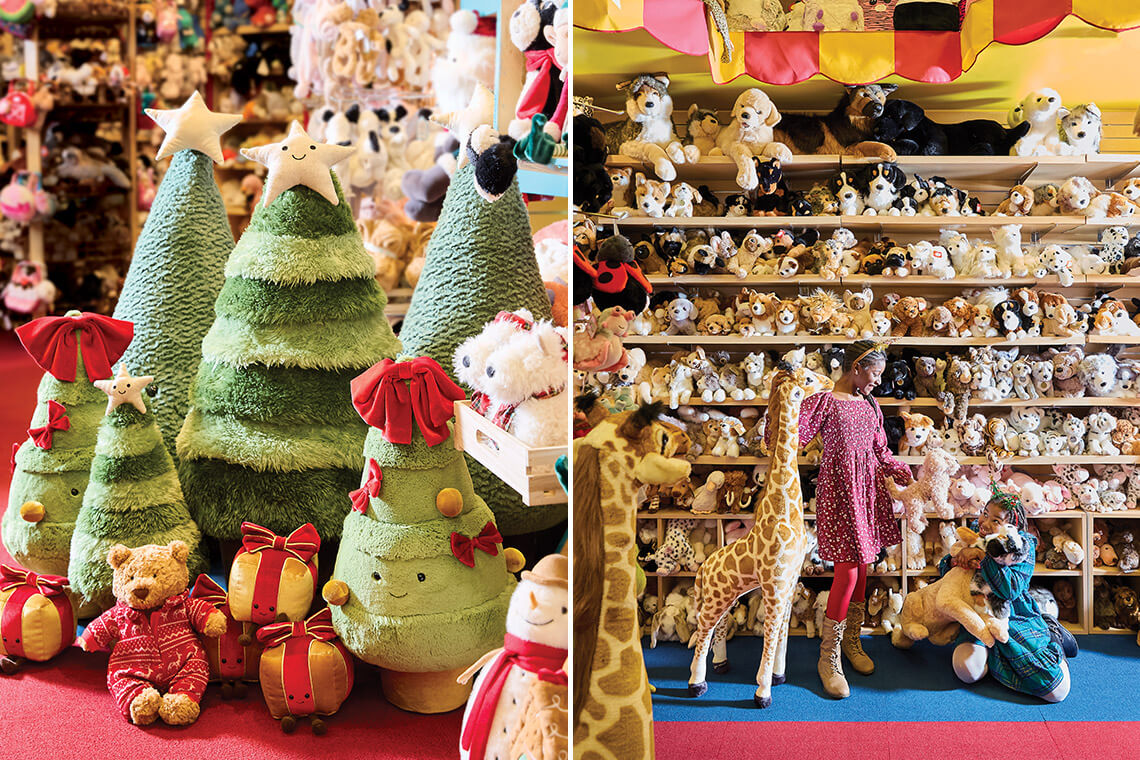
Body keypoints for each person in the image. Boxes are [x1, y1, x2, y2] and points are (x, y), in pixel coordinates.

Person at [780, 340, 913, 699]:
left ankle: (851, 641)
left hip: (867, 491)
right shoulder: (824, 401)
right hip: (840, 494)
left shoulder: (870, 403)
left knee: (864, 569)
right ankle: (829, 657)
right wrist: (783, 399)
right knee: (848, 573)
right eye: (875, 374)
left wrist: (899, 469)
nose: (878, 381)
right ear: (856, 368)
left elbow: (879, 450)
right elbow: (793, 437)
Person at [941, 488, 1076, 702]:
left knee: (1056, 690)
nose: (985, 523)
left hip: (1013, 615)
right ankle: (997, 662)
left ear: (1012, 527)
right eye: (985, 514)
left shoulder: (1023, 545)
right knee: (966, 670)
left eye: (995, 520)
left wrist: (983, 555)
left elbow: (1010, 590)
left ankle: (1052, 632)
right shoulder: (975, 530)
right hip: (977, 612)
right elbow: (946, 573)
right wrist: (955, 560)